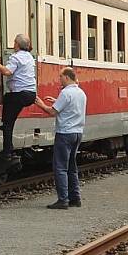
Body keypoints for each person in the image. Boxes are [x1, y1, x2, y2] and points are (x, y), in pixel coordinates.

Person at [34, 67, 87, 210]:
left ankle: (63, 200)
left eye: (61, 77)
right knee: (72, 167)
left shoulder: (65, 93)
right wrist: (57, 100)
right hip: (78, 133)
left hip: (65, 133)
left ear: (67, 78)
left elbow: (52, 111)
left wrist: (41, 104)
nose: (59, 79)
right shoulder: (81, 93)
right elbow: (71, 107)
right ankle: (75, 198)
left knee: (60, 168)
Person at [0, 34, 37, 160]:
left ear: (17, 44)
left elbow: (7, 72)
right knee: (9, 104)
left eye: (14, 42)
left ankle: (7, 151)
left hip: (20, 94)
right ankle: (6, 125)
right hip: (31, 94)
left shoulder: (16, 57)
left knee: (8, 104)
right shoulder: (30, 57)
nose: (13, 44)